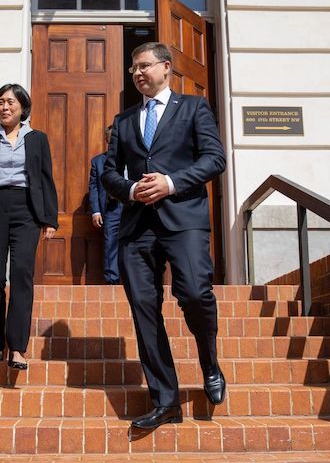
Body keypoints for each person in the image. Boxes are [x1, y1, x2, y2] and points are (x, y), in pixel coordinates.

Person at [102, 42, 227, 429]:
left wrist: (171, 183)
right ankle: (166, 400)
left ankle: (209, 361)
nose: (137, 73)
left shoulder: (193, 108)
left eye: (144, 65)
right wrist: (130, 190)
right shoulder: (123, 122)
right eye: (132, 68)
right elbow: (107, 172)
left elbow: (214, 158)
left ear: (166, 67)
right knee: (144, 311)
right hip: (137, 229)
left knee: (193, 293)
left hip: (184, 220)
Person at [0, 83, 58, 371]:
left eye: (11, 103)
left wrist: (49, 219)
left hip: (26, 211)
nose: (5, 107)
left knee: (21, 274)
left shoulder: (38, 139)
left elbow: (45, 179)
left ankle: (16, 347)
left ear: (22, 108)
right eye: (1, 102)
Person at [88, 126, 122, 284]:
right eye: (111, 140)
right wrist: (96, 211)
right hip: (111, 208)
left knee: (134, 244)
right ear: (107, 141)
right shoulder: (98, 162)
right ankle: (112, 281)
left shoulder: (133, 158)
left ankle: (132, 281)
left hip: (134, 208)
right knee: (111, 244)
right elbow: (93, 187)